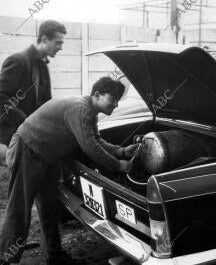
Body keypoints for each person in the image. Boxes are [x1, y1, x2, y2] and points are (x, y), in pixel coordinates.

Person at [0, 77, 138, 265]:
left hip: (47, 157)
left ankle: (54, 255)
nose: (115, 104)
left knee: (50, 205)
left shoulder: (90, 112)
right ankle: (6, 258)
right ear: (96, 95)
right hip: (28, 149)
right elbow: (90, 147)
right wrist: (118, 165)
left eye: (117, 100)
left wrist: (121, 151)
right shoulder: (80, 109)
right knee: (20, 207)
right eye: (112, 99)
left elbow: (96, 140)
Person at [0, 19, 67, 164]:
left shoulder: (42, 64)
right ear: (44, 39)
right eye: (58, 42)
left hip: (29, 139)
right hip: (10, 140)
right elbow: (1, 97)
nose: (60, 47)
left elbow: (45, 102)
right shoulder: (18, 60)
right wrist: (26, 122)